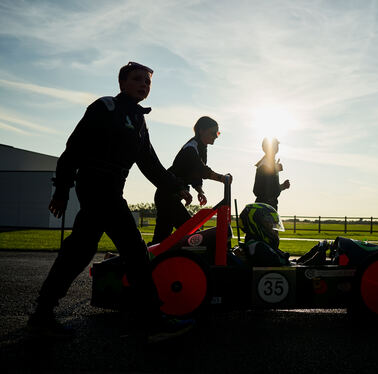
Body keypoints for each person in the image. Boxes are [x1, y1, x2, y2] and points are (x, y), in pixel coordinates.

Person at [28, 62, 193, 341]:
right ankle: (152, 319)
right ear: (123, 83)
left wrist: (177, 187)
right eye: (137, 79)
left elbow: (150, 164)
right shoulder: (105, 108)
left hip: (113, 189)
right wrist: (62, 191)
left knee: (79, 251)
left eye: (148, 82)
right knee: (135, 250)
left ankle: (41, 315)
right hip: (95, 186)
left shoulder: (140, 121)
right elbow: (73, 149)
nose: (144, 84)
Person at [150, 116, 232, 245]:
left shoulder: (201, 147)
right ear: (201, 131)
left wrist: (199, 190)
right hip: (168, 194)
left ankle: (141, 261)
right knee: (192, 233)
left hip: (170, 194)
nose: (216, 136)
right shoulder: (191, 148)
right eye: (213, 133)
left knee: (161, 240)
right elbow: (201, 169)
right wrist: (222, 178)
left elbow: (194, 173)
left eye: (217, 133)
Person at [238, 203, 329, 267]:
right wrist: (319, 254)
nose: (273, 229)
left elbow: (290, 263)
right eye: (269, 224)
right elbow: (294, 271)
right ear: (256, 223)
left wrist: (315, 250)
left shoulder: (259, 244)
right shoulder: (259, 248)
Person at [253, 138, 290, 211]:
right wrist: (275, 170)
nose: (276, 148)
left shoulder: (271, 164)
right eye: (274, 146)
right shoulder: (264, 164)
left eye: (276, 146)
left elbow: (272, 188)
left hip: (271, 205)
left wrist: (283, 186)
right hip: (264, 206)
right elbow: (259, 190)